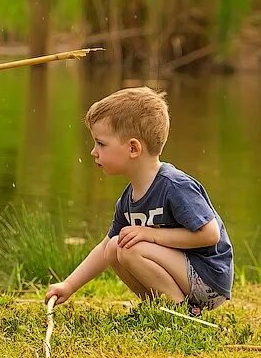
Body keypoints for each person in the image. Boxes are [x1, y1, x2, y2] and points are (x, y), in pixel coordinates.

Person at [45, 86, 233, 315]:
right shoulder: (129, 197)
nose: (93, 152)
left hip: (209, 279)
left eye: (101, 143)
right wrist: (69, 285)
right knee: (116, 247)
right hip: (181, 275)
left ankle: (180, 313)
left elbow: (210, 234)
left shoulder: (174, 186)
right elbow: (105, 247)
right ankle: (159, 309)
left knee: (129, 248)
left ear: (133, 148)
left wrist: (151, 234)